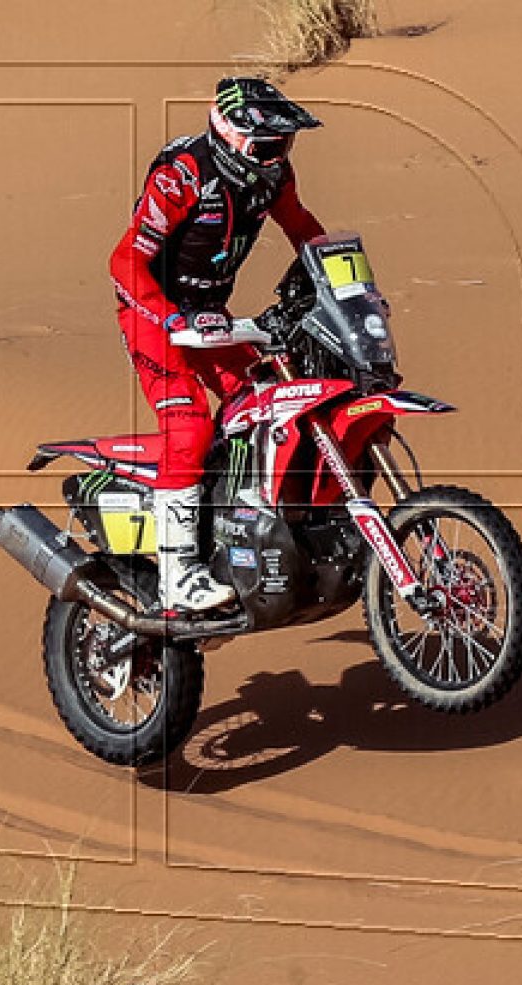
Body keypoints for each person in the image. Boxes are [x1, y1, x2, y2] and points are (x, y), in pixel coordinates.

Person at [109, 77, 326, 614]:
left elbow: (302, 228)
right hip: (153, 317)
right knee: (189, 427)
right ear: (232, 135)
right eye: (271, 145)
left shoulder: (272, 178)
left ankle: (242, 536)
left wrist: (348, 284)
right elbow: (125, 263)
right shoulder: (182, 176)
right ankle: (179, 574)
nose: (280, 156)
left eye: (287, 145)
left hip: (211, 318)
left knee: (269, 402)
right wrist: (167, 318)